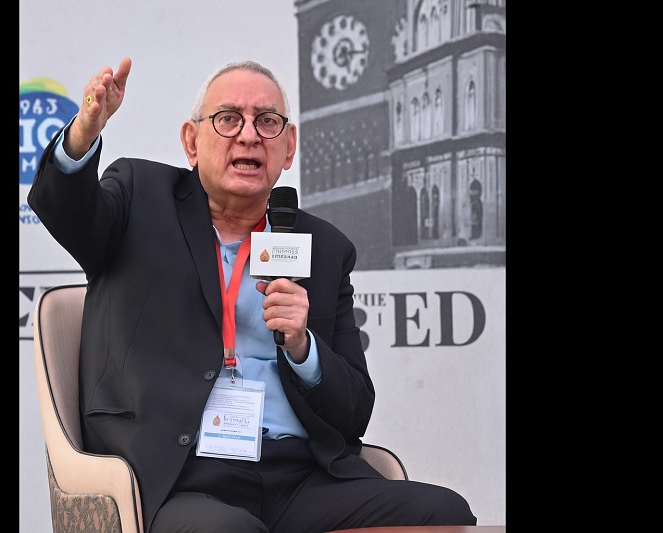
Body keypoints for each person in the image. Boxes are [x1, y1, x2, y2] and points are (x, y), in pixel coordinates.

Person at [28, 56, 476, 533]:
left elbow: (354, 412)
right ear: (191, 141)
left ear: (289, 146)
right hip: (178, 475)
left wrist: (304, 349)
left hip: (300, 478)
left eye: (267, 121)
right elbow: (69, 213)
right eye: (228, 119)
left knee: (445, 514)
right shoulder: (142, 198)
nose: (248, 136)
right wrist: (82, 135)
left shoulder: (323, 248)